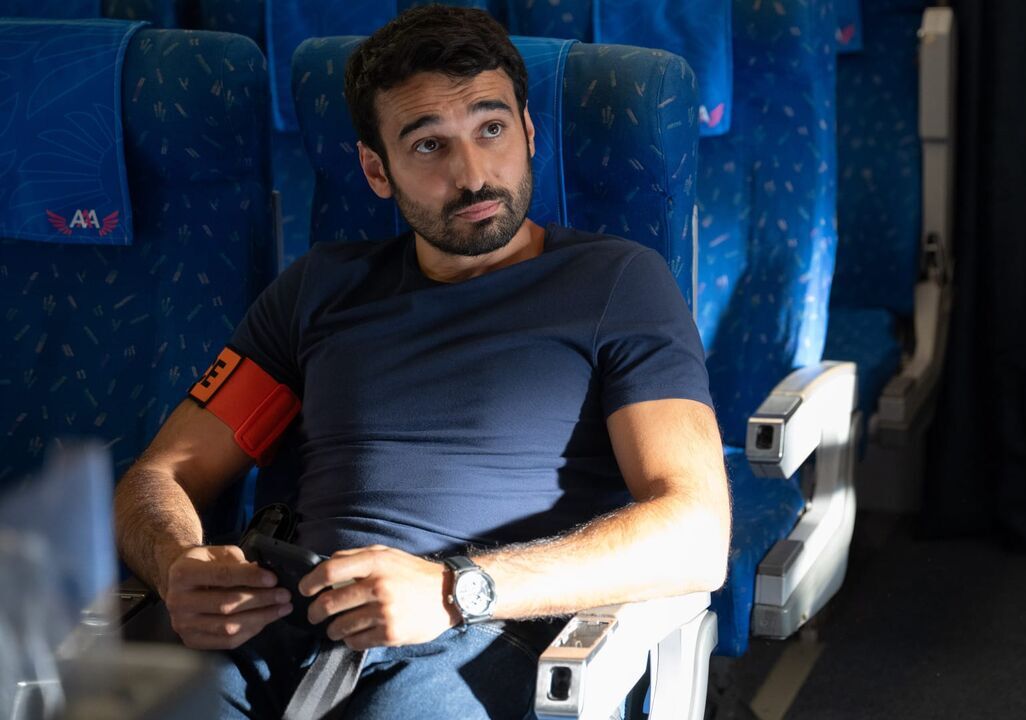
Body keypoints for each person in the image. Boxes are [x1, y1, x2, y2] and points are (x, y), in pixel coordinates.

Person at [112, 5, 731, 718]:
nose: (473, 176)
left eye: (492, 129)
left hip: (481, 635)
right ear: (377, 170)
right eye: (430, 145)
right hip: (281, 620)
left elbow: (695, 533)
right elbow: (162, 474)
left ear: (529, 133)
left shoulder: (619, 283)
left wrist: (454, 589)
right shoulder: (318, 289)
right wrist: (178, 565)